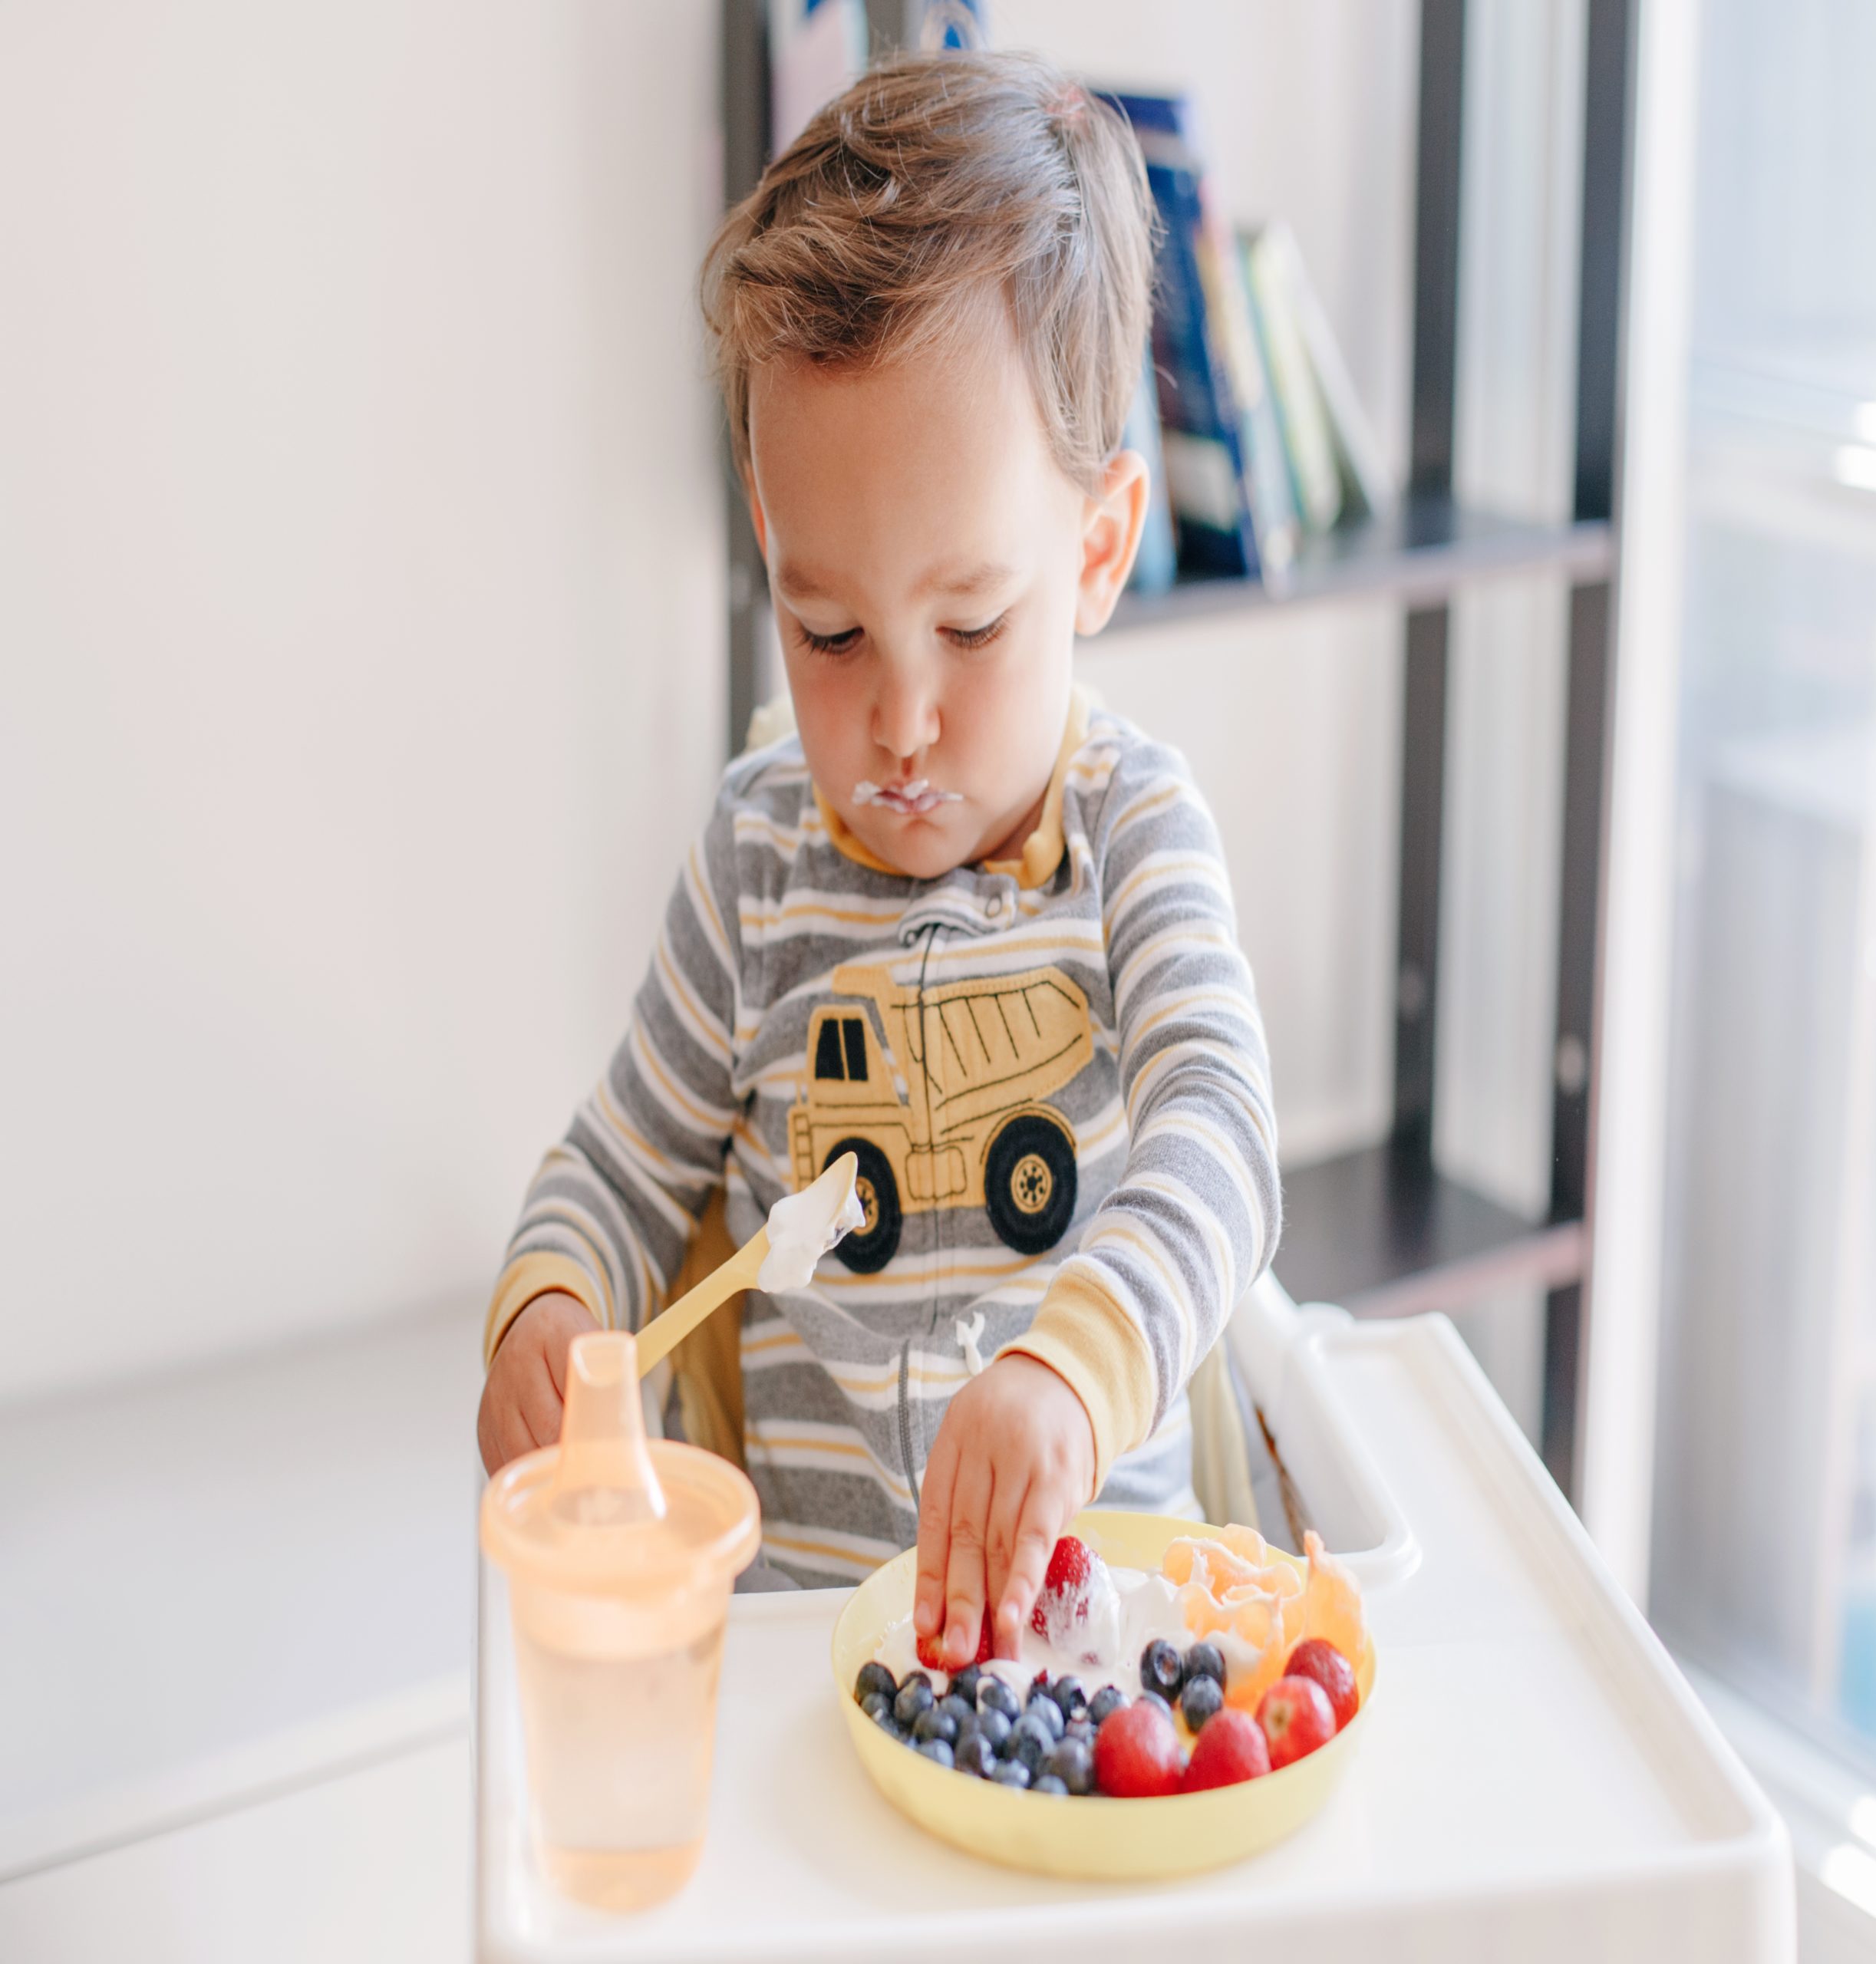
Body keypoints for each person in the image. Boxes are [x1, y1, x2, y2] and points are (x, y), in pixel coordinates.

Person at [475, 48, 1281, 1669]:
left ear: (1098, 548)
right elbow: (623, 1162)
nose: (896, 722)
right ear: (769, 548)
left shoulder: (1129, 830)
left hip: (1083, 1657)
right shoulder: (759, 850)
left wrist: (1072, 1362)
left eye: (971, 624)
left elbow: (1221, 1131)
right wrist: (549, 1305)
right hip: (799, 1666)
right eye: (826, 628)